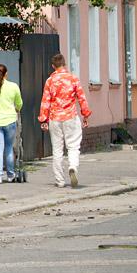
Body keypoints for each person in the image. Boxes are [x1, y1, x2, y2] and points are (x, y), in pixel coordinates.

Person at [38, 53, 92, 188]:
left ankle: (60, 180)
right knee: (73, 146)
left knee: (57, 150)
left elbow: (45, 101)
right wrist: (85, 115)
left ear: (53, 66)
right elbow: (81, 98)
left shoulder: (50, 81)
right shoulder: (73, 79)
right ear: (64, 64)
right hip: (70, 117)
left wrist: (43, 119)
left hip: (55, 119)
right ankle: (73, 167)